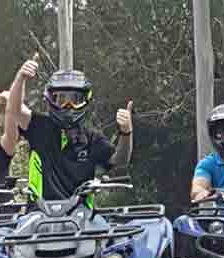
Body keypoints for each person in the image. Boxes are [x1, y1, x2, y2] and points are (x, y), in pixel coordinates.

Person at [8, 56, 133, 201]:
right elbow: (14, 109)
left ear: (86, 100)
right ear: (49, 99)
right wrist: (21, 77)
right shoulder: (39, 126)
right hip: (39, 213)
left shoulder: (92, 138)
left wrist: (126, 133)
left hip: (81, 216)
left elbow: (119, 161)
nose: (68, 106)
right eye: (61, 99)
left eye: (75, 100)